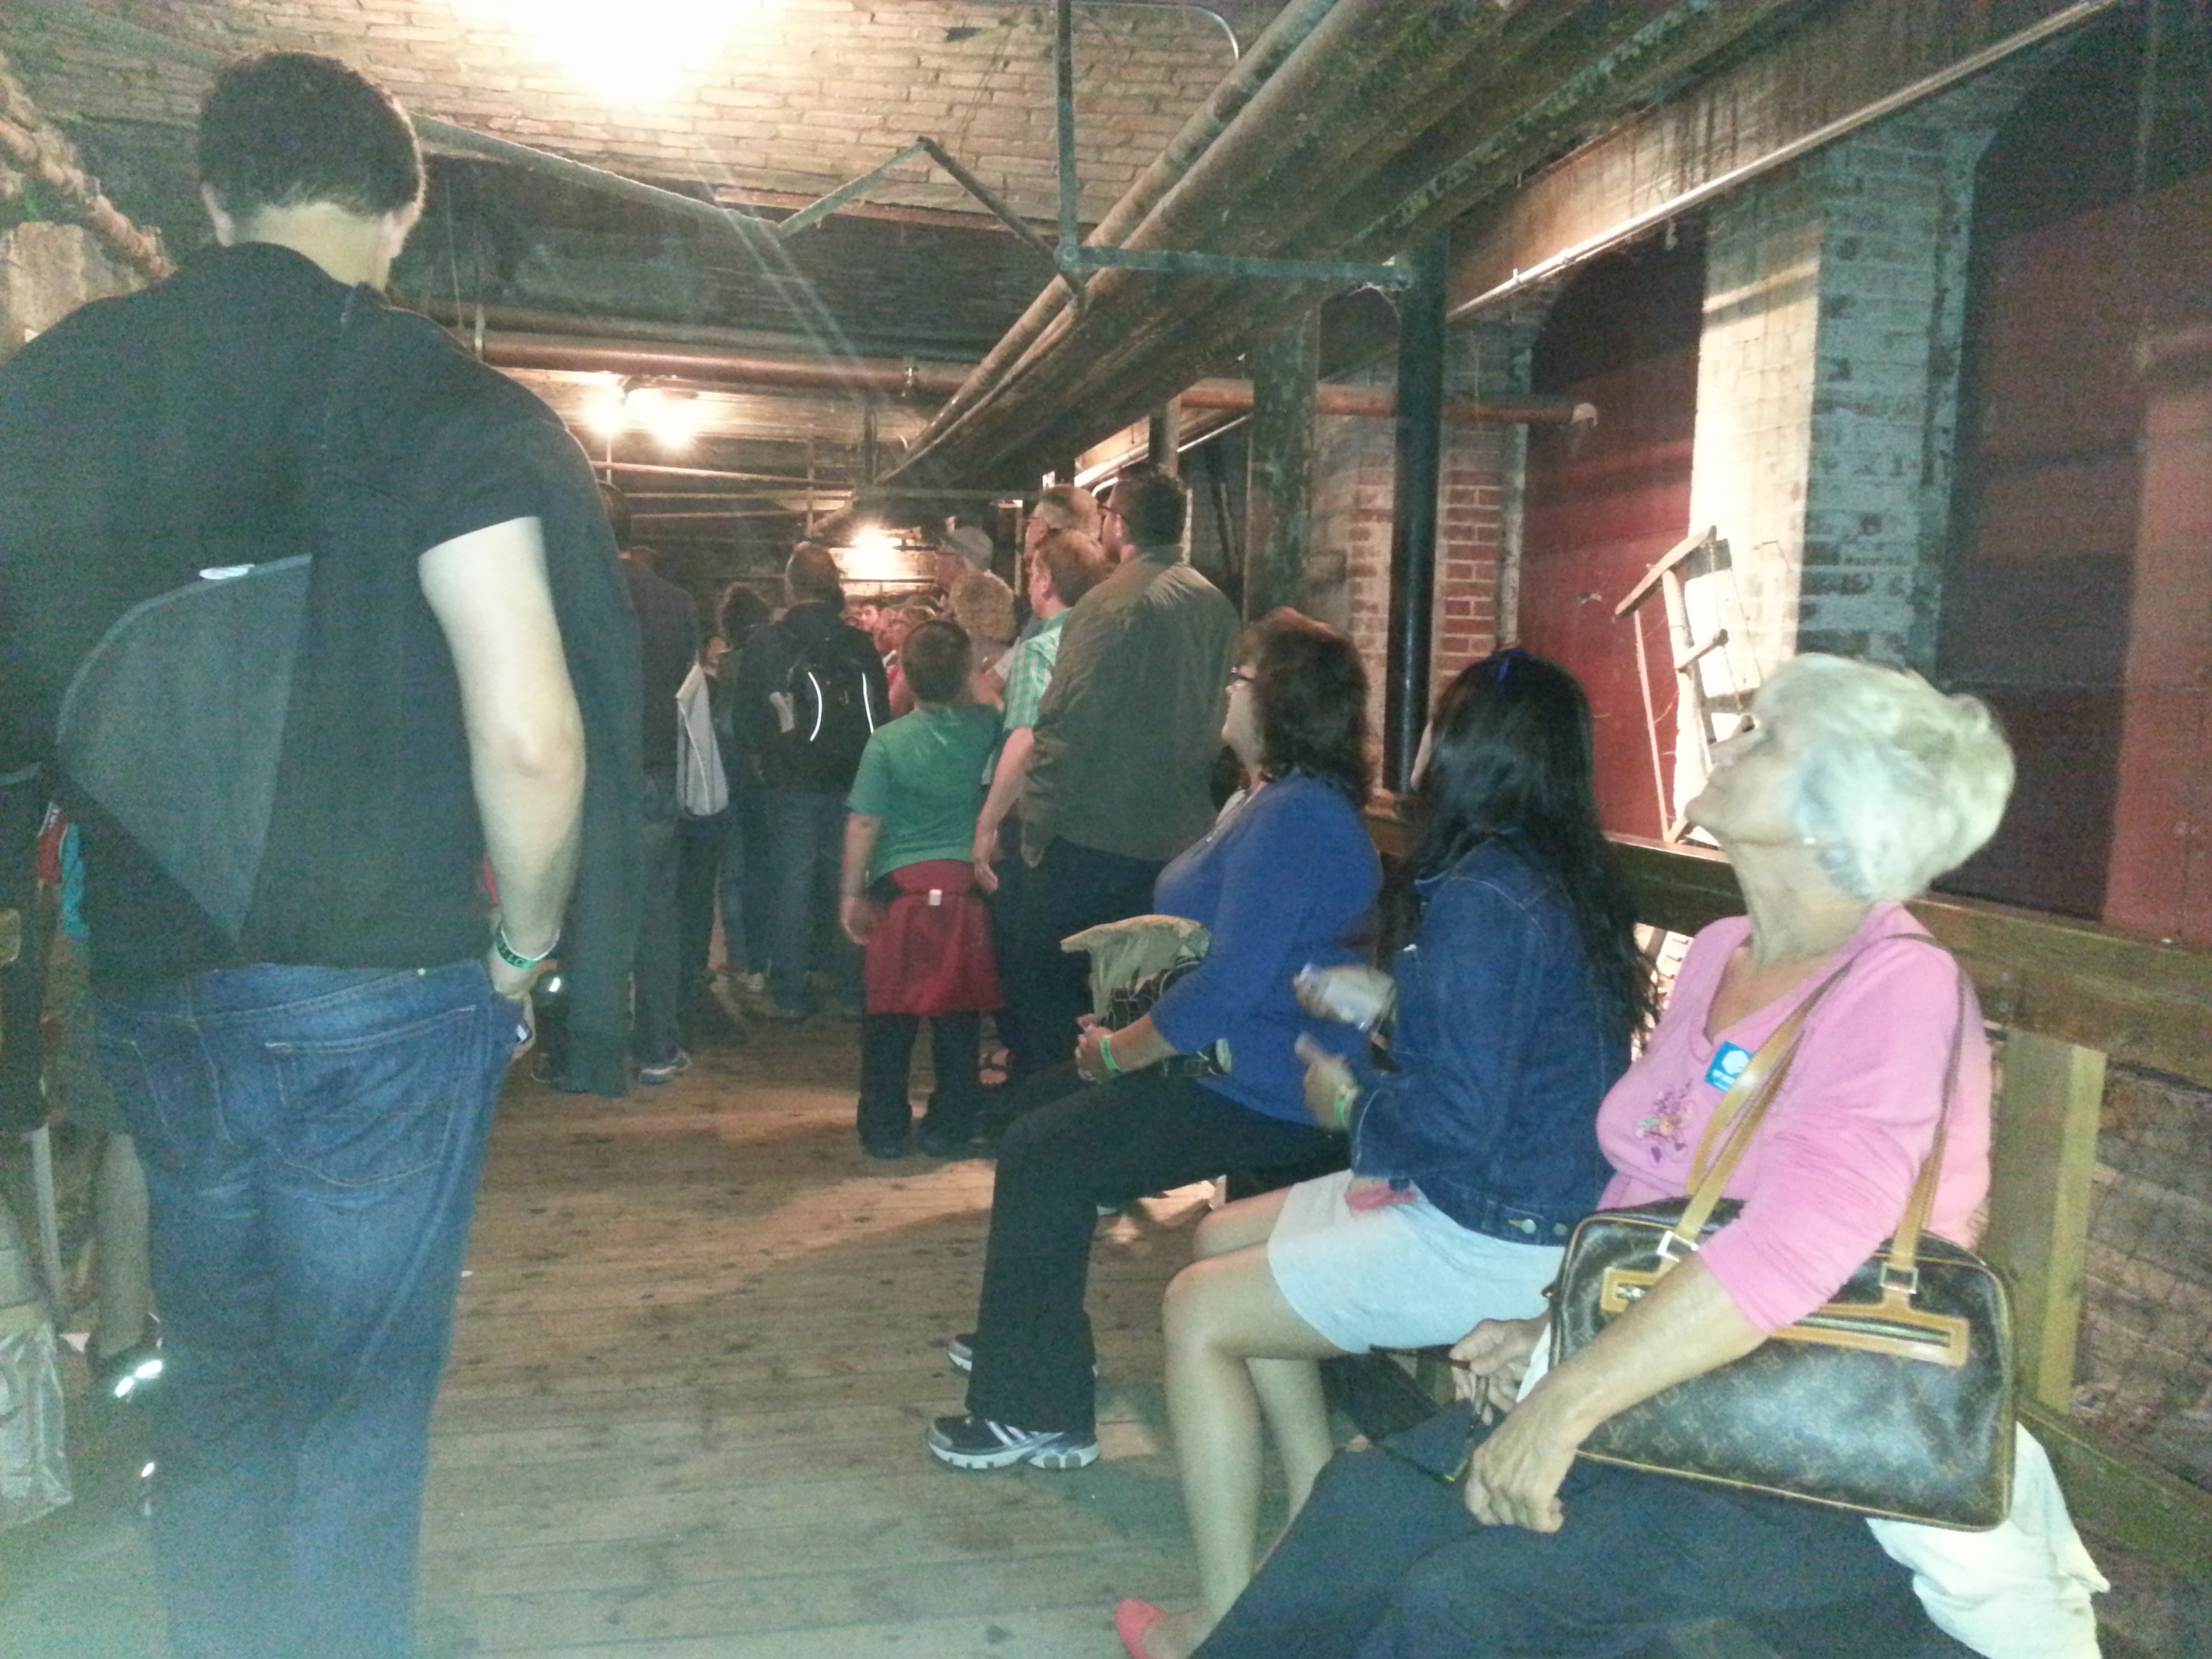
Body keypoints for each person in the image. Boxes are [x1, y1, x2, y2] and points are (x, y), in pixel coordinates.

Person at [0, 49, 639, 1659]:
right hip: (380, 985)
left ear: (211, 197)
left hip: (154, 974)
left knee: (221, 1371)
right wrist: (527, 948)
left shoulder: (64, 382)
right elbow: (533, 735)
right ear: (400, 207)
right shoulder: (440, 401)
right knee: (355, 1395)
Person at [1180, 657, 2104, 1659]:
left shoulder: (1896, 990)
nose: (1733, 742)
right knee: (1363, 1508)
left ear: (1839, 817)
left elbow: (1792, 1250)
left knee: (1466, 1601)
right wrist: (1550, 1326)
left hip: (1804, 1431)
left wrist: (1562, 1402)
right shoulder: (1723, 950)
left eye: (1768, 738)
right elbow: (1649, 1193)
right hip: (1655, 1379)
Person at [1126, 649, 1652, 1659]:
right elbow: (1503, 1051)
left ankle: (1227, 1619)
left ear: (1464, 752)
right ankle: (1311, 1528)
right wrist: (1387, 1005)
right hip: (1523, 1200)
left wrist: (1349, 1106)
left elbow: (1459, 1117)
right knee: (1218, 1238)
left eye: (1437, 723)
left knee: (1197, 1310)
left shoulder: (1484, 895)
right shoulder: (1547, 876)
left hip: (1494, 1228)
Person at [928, 611, 1380, 1473]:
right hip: (1230, 1062)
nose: (1224, 689)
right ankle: (1036, 1338)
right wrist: (1123, 1027)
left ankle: (1036, 1411)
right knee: (1034, 1111)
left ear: (1278, 699)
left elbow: (1231, 985)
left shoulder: (1296, 817)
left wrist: (1118, 1051)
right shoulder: (1267, 800)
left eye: (1238, 675)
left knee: (1045, 1151)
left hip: (1272, 1088)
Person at [1012, 465, 1242, 1070]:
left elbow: (1065, 722)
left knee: (1057, 992)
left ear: (1118, 524)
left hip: (1096, 834)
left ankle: (1059, 1101)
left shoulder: (1108, 604)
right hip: (1181, 835)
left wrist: (1036, 826)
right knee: (1146, 994)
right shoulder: (1215, 605)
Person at [839, 619, 1004, 1159]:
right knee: (958, 1019)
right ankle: (951, 1124)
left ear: (906, 675)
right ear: (966, 673)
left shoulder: (886, 743)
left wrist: (851, 894)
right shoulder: (989, 727)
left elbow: (864, 823)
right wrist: (972, 675)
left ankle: (884, 1126)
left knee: (888, 1018)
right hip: (964, 893)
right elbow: (996, 708)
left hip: (900, 895)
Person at [970, 527, 1115, 1082]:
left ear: (1046, 580)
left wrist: (987, 823)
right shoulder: (1107, 642)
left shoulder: (1040, 647)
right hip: (1097, 820)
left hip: (1036, 819)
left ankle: (1031, 1077)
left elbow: (1026, 738)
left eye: (1032, 573)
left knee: (1027, 962)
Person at [729, 544, 889, 1020]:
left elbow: (746, 720)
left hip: (792, 781)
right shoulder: (859, 644)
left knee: (791, 885)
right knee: (849, 880)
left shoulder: (768, 643)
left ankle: (790, 994)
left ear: (790, 585)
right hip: (854, 781)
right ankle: (851, 990)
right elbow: (880, 714)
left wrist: (762, 765)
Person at [611, 494, 699, 1085]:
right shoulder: (676, 603)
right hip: (656, 768)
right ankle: (658, 1049)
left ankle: (582, 1052)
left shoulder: (569, 591)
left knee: (585, 911)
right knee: (656, 915)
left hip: (585, 772)